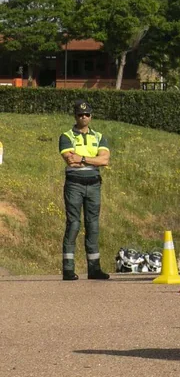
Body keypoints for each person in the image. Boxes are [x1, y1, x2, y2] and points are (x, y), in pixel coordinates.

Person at [58, 100, 111, 281]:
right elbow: (69, 160)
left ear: (91, 116)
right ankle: (68, 268)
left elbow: (104, 160)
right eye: (80, 115)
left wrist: (82, 157)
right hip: (75, 184)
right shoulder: (66, 136)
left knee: (93, 225)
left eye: (87, 114)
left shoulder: (99, 136)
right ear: (75, 116)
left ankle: (94, 269)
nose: (84, 117)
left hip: (94, 183)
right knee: (73, 223)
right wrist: (92, 158)